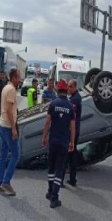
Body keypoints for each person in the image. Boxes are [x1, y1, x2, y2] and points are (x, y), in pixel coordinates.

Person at [42, 79, 75, 209]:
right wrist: (72, 141)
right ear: (66, 90)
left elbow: (47, 123)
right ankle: (54, 198)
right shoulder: (70, 107)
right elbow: (73, 127)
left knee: (51, 168)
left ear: (57, 90)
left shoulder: (53, 104)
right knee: (59, 170)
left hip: (53, 141)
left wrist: (44, 137)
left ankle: (50, 191)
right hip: (63, 142)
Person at [0, 69, 21, 196]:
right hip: (7, 126)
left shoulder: (6, 87)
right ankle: (6, 182)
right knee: (16, 154)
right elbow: (10, 111)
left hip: (1, 124)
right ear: (14, 77)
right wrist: (14, 129)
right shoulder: (11, 90)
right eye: (19, 77)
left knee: (3, 155)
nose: (20, 80)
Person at [62, 79, 82, 187]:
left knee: (66, 154)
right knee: (71, 155)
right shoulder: (75, 97)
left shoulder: (75, 100)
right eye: (68, 86)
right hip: (74, 130)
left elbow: (71, 117)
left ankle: (60, 180)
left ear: (74, 87)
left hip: (72, 131)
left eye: (70, 86)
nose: (68, 89)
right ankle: (72, 179)